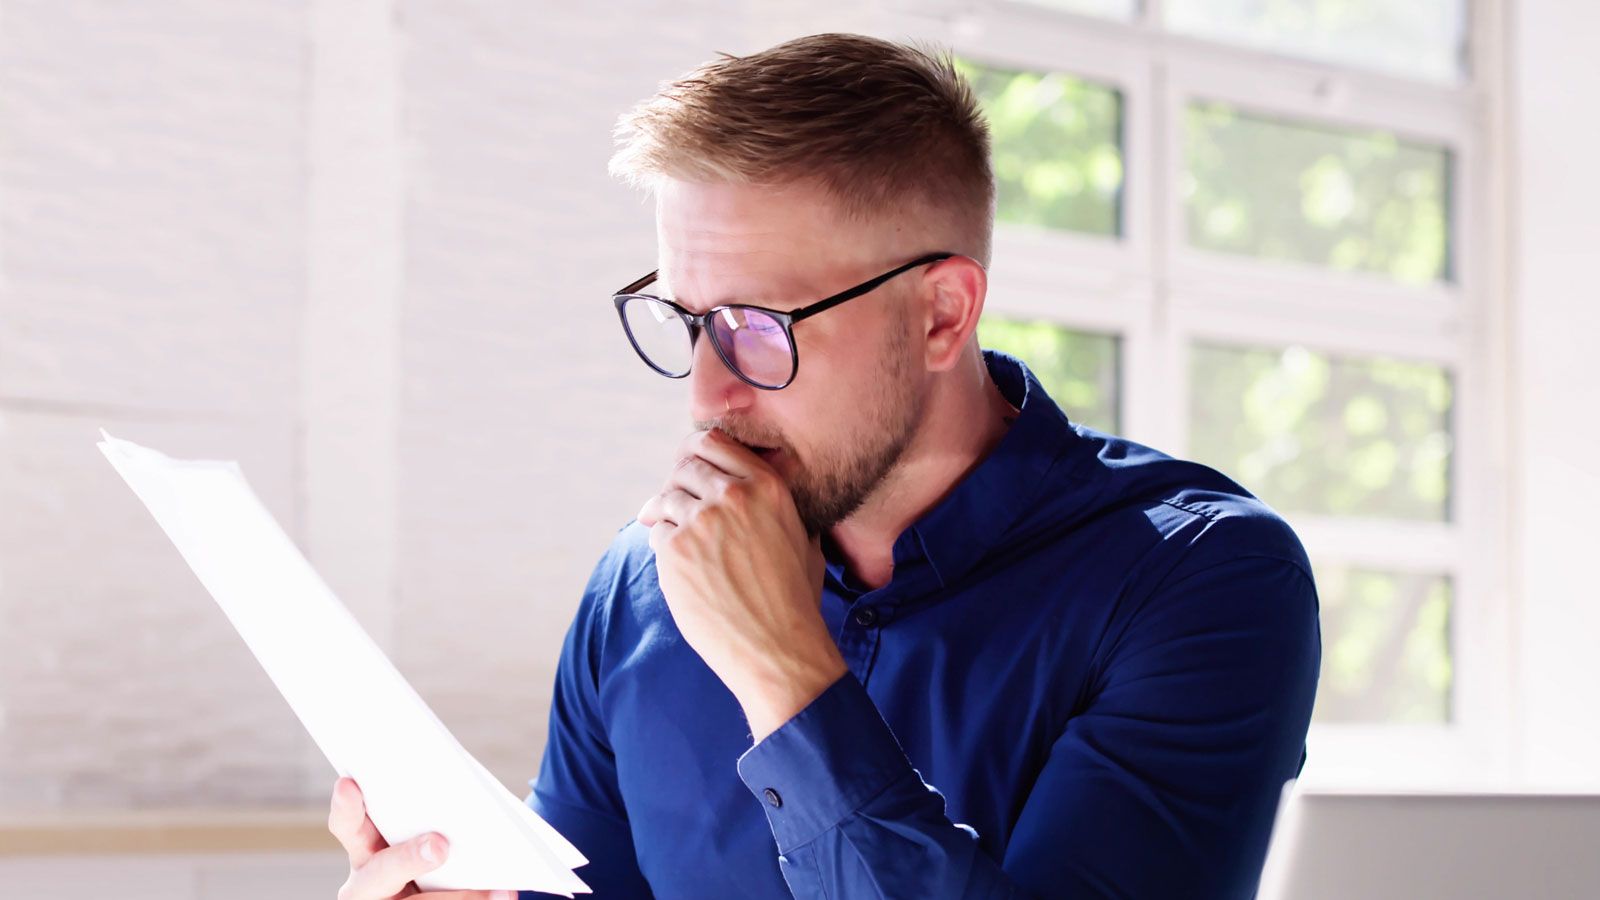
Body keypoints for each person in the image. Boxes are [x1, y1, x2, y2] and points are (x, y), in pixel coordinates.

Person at [329, 32, 1321, 900]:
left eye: (758, 326)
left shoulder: (1202, 581)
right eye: (689, 320)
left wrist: (782, 673)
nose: (707, 394)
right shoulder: (637, 587)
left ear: (940, 313)